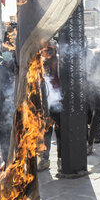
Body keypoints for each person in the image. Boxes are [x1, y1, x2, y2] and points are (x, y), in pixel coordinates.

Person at [39, 41, 61, 171]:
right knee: (46, 133)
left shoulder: (60, 63)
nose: (48, 52)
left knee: (59, 132)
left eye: (50, 50)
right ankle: (45, 159)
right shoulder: (40, 64)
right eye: (45, 50)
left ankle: (60, 159)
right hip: (45, 102)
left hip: (59, 102)